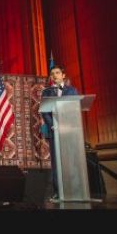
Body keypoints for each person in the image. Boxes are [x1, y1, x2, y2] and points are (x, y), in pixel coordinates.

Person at [40, 65, 78, 200]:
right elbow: (44, 111)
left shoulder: (72, 90)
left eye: (57, 73)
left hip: (69, 131)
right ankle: (58, 192)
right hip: (54, 131)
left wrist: (66, 124)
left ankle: (73, 190)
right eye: (52, 74)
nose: (54, 75)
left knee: (71, 161)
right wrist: (53, 125)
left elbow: (75, 108)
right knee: (56, 163)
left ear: (63, 75)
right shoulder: (46, 92)